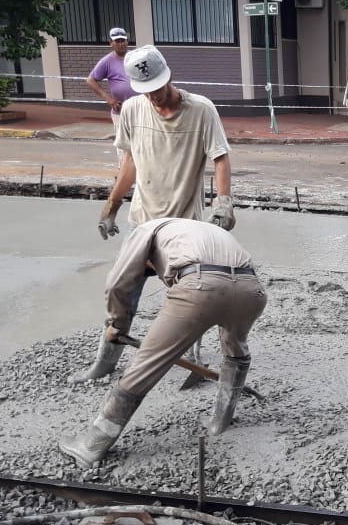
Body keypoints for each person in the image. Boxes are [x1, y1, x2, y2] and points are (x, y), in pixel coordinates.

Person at [70, 44, 236, 383]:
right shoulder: (132, 109)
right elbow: (130, 162)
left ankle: (195, 360)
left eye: (157, 89)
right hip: (142, 224)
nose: (154, 98)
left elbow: (219, 157)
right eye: (146, 92)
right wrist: (111, 207)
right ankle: (106, 359)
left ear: (169, 77)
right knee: (119, 289)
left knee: (190, 297)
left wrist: (223, 202)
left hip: (183, 228)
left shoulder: (201, 110)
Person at [60, 218, 267, 468]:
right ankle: (219, 423)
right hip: (252, 290)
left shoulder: (144, 231)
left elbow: (118, 284)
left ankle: (91, 445)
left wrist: (118, 324)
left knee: (145, 366)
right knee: (236, 352)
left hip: (199, 285)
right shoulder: (197, 230)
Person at [86, 27, 137, 152]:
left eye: (123, 40)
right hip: (121, 112)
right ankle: (123, 170)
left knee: (141, 144)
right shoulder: (107, 61)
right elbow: (91, 80)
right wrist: (108, 99)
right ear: (111, 43)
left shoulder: (136, 57)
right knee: (124, 147)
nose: (121, 44)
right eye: (118, 41)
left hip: (140, 109)